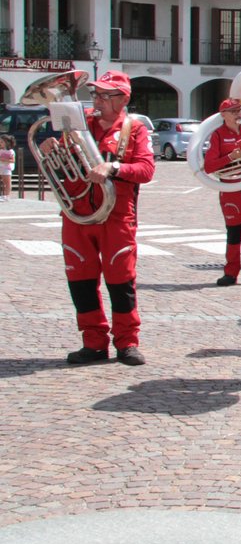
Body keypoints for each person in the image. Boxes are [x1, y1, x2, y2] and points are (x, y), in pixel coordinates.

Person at [47, 70, 155, 365]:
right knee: (80, 281)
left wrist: (114, 168)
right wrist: (52, 152)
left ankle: (127, 342)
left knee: (121, 282)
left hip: (116, 217)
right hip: (77, 215)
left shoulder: (134, 129)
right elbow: (65, 168)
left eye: (105, 95)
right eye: (95, 94)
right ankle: (93, 342)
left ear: (123, 99)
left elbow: (146, 170)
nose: (97, 100)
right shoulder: (77, 126)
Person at [202, 98, 241, 288]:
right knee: (234, 233)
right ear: (223, 115)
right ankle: (230, 272)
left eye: (240, 110)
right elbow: (209, 166)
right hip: (230, 189)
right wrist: (231, 157)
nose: (239, 114)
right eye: (233, 111)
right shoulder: (218, 135)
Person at [0, 133, 15, 200]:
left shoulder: (10, 151)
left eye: (2, 142)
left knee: (7, 182)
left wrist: (3, 159)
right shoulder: (1, 150)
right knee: (3, 181)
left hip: (6, 168)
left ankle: (7, 195)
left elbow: (12, 160)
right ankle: (4, 195)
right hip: (1, 167)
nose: (0, 143)